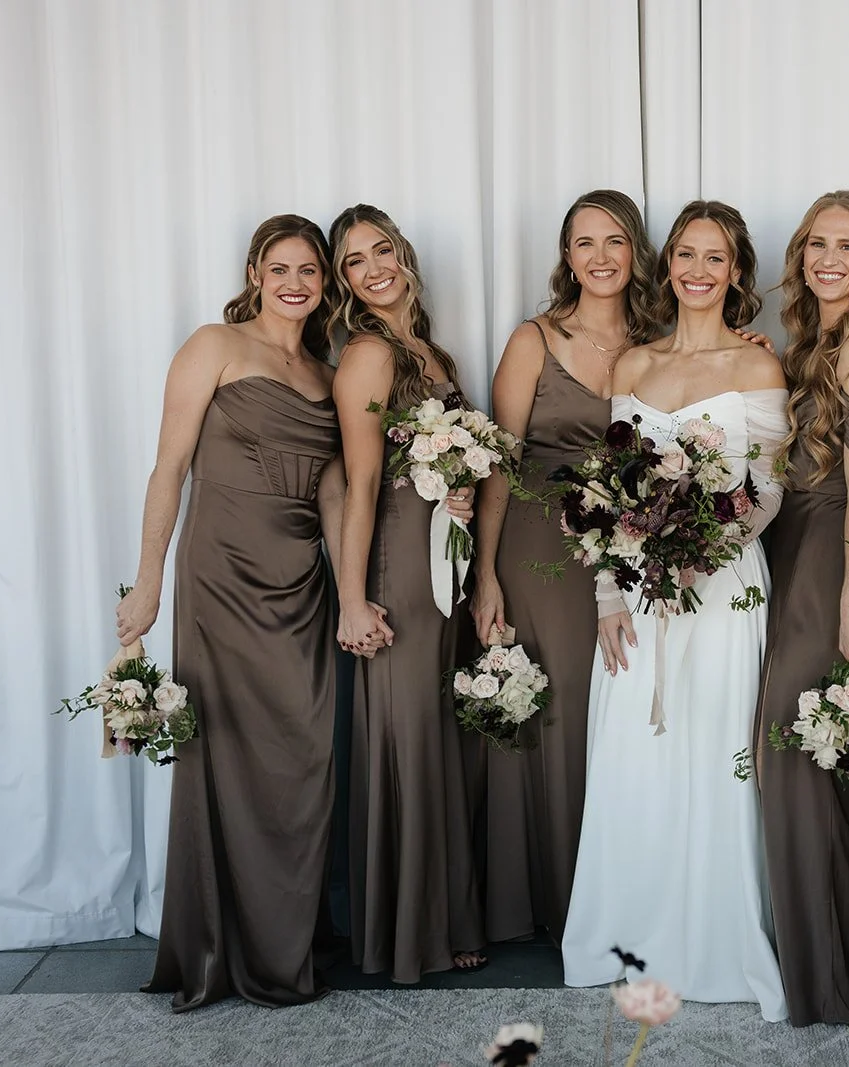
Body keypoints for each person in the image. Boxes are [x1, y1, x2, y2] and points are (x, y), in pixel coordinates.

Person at [561, 200, 789, 1022]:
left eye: (715, 257)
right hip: (635, 590)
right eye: (686, 254)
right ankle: (627, 935)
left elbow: (765, 490)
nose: (697, 269)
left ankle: (714, 939)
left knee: (710, 743)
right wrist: (610, 591)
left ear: (735, 272)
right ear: (670, 266)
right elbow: (608, 490)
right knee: (636, 751)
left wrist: (697, 555)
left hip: (723, 587)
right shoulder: (633, 366)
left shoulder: (760, 366)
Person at [128, 214, 347, 1010]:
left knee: (303, 759)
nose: (295, 282)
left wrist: (348, 588)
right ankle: (226, 946)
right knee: (225, 754)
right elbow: (170, 465)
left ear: (325, 283)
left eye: (311, 271)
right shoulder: (213, 346)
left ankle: (285, 938)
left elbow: (331, 491)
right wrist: (147, 580)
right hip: (220, 576)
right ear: (255, 272)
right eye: (280, 267)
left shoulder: (327, 375)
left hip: (300, 585)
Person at [470, 191, 661, 944]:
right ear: (567, 257)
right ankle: (542, 900)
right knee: (551, 708)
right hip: (536, 544)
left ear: (635, 251)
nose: (601, 256)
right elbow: (497, 463)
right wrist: (485, 573)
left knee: (615, 714)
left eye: (615, 240)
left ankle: (609, 896)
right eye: (585, 243)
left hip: (629, 546)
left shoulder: (662, 339)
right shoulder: (534, 339)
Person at [753, 191, 849, 1025]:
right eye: (817, 242)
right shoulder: (805, 341)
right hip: (785, 546)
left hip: (828, 555)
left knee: (796, 740)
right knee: (789, 742)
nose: (828, 258)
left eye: (845, 246)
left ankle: (833, 957)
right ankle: (806, 940)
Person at [328, 204, 485, 982]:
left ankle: (443, 913)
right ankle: (408, 933)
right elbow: (360, 483)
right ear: (345, 283)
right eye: (354, 261)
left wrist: (453, 495)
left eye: (380, 250)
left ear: (403, 255)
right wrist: (353, 599)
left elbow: (431, 464)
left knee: (433, 734)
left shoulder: (426, 349)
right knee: (407, 735)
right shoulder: (366, 354)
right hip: (393, 562)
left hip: (439, 562)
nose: (373, 268)